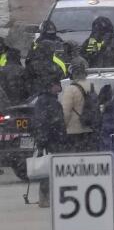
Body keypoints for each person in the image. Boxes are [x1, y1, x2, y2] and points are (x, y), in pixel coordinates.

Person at [32, 78, 67, 208]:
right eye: (58, 85)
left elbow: (39, 122)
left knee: (48, 168)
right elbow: (48, 122)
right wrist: (45, 139)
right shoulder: (49, 101)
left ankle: (46, 197)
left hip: (49, 139)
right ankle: (47, 197)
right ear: (52, 86)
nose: (60, 88)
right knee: (51, 169)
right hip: (53, 140)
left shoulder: (43, 100)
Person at [60, 58, 99, 152]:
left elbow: (66, 112)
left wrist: (63, 127)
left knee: (75, 159)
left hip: (74, 131)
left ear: (73, 74)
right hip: (90, 129)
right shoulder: (93, 86)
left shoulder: (70, 89)